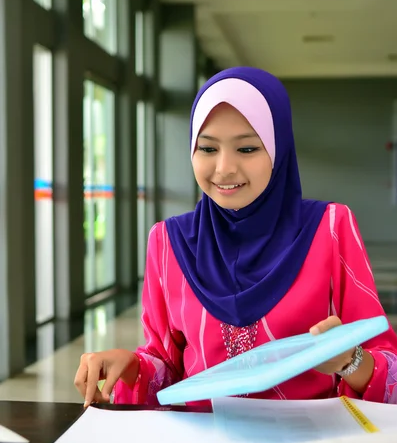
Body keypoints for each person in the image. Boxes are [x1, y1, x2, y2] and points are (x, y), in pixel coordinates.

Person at [74, 67, 397, 408]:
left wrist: (352, 361)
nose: (224, 168)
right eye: (208, 149)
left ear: (278, 148)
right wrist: (130, 367)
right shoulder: (169, 241)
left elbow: (388, 368)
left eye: (246, 149)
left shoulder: (329, 228)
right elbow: (166, 370)